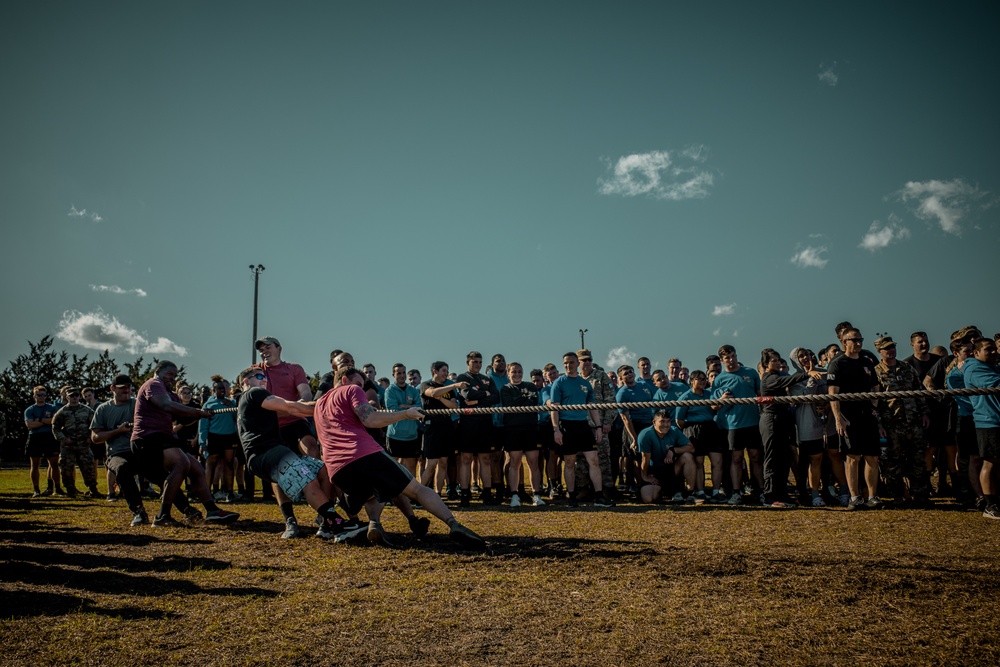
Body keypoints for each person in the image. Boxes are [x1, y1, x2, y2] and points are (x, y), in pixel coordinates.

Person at [313, 366, 485, 549]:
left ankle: (374, 524)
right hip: (363, 453)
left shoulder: (319, 404)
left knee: (374, 492)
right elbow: (369, 419)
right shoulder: (350, 389)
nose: (360, 389)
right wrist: (405, 414)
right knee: (416, 489)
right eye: (358, 383)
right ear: (345, 380)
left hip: (338, 470)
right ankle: (453, 524)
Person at [236, 366, 367, 541]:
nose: (264, 379)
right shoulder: (254, 392)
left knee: (322, 469)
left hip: (273, 451)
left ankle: (326, 525)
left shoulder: (252, 399)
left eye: (265, 377)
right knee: (308, 480)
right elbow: (291, 407)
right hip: (265, 453)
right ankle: (338, 525)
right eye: (259, 376)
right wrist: (332, 405)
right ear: (246, 381)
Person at [130, 360, 239, 527]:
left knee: (196, 468)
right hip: (147, 438)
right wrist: (198, 412)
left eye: (175, 376)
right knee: (181, 463)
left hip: (164, 438)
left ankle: (212, 510)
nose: (173, 379)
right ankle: (162, 516)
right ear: (158, 371)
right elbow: (165, 406)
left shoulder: (171, 394)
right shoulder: (153, 384)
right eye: (170, 374)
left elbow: (182, 418)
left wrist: (200, 414)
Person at [827, 328, 884, 510]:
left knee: (872, 457)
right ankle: (854, 497)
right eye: (854, 340)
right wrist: (838, 419)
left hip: (868, 416)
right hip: (848, 417)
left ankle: (872, 496)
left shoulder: (867, 362)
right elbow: (833, 394)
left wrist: (875, 408)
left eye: (860, 339)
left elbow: (876, 388)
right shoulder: (837, 363)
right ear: (844, 342)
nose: (858, 343)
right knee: (852, 457)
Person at [549, 352, 614, 507]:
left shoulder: (585, 384)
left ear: (577, 363)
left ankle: (599, 496)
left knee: (594, 460)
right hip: (567, 426)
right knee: (570, 462)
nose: (568, 366)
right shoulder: (558, 383)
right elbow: (554, 409)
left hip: (583, 425)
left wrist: (598, 427)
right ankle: (572, 497)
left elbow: (592, 408)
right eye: (565, 363)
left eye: (571, 362)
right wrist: (556, 429)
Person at [759, 352, 824, 508]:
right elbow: (783, 381)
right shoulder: (769, 378)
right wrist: (807, 374)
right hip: (771, 420)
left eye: (778, 360)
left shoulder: (778, 375)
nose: (777, 363)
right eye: (773, 360)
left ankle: (782, 494)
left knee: (783, 460)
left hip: (781, 420)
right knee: (772, 459)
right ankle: (770, 496)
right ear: (766, 364)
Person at [873, 336, 932, 507]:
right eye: (886, 348)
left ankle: (920, 495)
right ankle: (898, 495)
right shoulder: (876, 372)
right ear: (879, 352)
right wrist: (879, 425)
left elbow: (919, 392)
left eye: (892, 347)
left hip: (913, 422)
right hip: (891, 424)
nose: (890, 351)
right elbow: (874, 403)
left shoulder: (907, 368)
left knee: (918, 460)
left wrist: (925, 413)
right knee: (892, 463)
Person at [711, 345, 764, 505]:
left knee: (755, 457)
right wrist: (723, 400)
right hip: (732, 425)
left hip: (753, 422)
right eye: (727, 357)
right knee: (736, 458)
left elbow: (760, 395)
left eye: (733, 356)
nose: (731, 359)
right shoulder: (719, 379)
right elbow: (714, 406)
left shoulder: (750, 373)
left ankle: (760, 491)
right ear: (722, 360)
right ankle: (736, 492)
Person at [91, 375, 147, 524]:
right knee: (122, 468)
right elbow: (95, 437)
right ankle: (138, 511)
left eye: (129, 387)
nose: (127, 390)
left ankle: (187, 509)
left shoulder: (137, 404)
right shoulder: (103, 409)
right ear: (112, 389)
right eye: (123, 388)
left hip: (139, 450)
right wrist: (118, 431)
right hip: (116, 453)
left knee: (163, 468)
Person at [254, 336, 318, 458]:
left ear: (279, 349)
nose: (264, 352)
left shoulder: (294, 369)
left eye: (268, 347)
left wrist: (296, 407)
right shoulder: (256, 371)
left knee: (311, 447)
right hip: (269, 425)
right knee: (274, 465)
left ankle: (318, 476)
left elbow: (306, 394)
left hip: (295, 421)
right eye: (261, 350)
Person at [455, 351, 501, 506]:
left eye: (480, 362)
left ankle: (487, 493)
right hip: (468, 424)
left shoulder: (487, 379)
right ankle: (465, 493)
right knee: (466, 459)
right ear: (468, 362)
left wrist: (477, 401)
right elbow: (467, 395)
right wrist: (484, 395)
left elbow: (496, 397)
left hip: (485, 423)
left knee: (485, 459)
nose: (478, 365)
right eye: (475, 362)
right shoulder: (463, 378)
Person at [962, 338, 1000, 520]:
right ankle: (990, 505)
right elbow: (997, 384)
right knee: (990, 462)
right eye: (988, 349)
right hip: (989, 421)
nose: (993, 352)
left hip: (996, 420)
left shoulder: (993, 366)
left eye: (994, 349)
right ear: (976, 353)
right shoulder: (975, 368)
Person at [946, 337, 984, 508]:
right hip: (966, 417)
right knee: (968, 458)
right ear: (956, 354)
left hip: (982, 417)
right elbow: (969, 400)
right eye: (966, 351)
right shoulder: (954, 376)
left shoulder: (980, 369)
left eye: (972, 350)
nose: (970, 354)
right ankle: (970, 493)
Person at [500, 362, 545, 507]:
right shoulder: (505, 389)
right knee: (515, 462)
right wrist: (523, 398)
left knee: (534, 462)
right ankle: (514, 495)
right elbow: (509, 405)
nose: (517, 374)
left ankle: (536, 494)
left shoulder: (530, 386)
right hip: (513, 429)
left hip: (531, 428)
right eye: (514, 372)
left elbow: (534, 401)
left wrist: (519, 399)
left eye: (519, 371)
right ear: (508, 373)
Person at [675, 370, 722, 502]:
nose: (702, 381)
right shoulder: (685, 397)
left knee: (717, 461)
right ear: (691, 381)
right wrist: (691, 429)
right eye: (699, 379)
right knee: (699, 462)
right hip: (694, 429)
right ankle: (700, 491)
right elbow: (679, 421)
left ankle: (716, 491)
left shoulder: (709, 394)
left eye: (704, 379)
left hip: (711, 428)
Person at [419, 362, 465, 496]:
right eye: (444, 370)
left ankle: (438, 494)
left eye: (447, 371)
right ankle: (419, 495)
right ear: (435, 371)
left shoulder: (448, 389)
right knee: (432, 463)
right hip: (432, 427)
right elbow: (432, 393)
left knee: (443, 462)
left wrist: (441, 399)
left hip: (447, 426)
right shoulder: (426, 385)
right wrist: (455, 385)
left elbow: (454, 406)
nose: (446, 373)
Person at [577, 349, 616, 500]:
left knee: (603, 458)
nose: (587, 363)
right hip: (580, 426)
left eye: (589, 360)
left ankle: (606, 489)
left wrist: (607, 422)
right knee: (580, 460)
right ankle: (583, 488)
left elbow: (611, 401)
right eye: (583, 360)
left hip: (599, 425)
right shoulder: (576, 379)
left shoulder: (601, 376)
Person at [637, 410, 696, 503]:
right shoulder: (645, 435)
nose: (665, 425)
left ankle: (690, 493)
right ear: (654, 422)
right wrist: (645, 477)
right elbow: (645, 459)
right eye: (662, 421)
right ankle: (665, 491)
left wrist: (673, 450)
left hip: (671, 469)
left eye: (668, 421)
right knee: (648, 499)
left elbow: (691, 448)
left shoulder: (674, 431)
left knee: (687, 456)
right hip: (654, 472)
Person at [51, 387, 98, 497]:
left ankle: (93, 489)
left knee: (88, 467)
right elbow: (55, 427)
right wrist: (64, 439)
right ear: (67, 397)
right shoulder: (62, 412)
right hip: (68, 446)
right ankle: (70, 490)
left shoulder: (87, 410)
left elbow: (95, 424)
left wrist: (90, 437)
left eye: (76, 395)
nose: (74, 398)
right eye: (72, 396)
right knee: (66, 468)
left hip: (83, 445)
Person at [198, 379, 239, 503]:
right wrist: (202, 442)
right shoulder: (208, 405)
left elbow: (237, 419)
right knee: (211, 464)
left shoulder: (232, 403)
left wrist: (231, 406)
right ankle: (207, 493)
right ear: (214, 390)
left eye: (223, 388)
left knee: (229, 463)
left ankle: (230, 492)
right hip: (214, 436)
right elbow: (203, 425)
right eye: (219, 388)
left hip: (229, 436)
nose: (222, 390)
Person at [385, 363, 423, 476]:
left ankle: (410, 494)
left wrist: (404, 407)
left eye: (403, 373)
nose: (402, 375)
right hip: (395, 435)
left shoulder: (413, 390)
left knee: (411, 467)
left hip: (412, 435)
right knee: (392, 467)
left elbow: (419, 408)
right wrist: (411, 409)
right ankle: (393, 492)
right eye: (399, 373)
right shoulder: (389, 391)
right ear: (393, 374)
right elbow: (393, 409)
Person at [24, 386, 62, 497]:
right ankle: (36, 490)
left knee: (54, 463)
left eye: (44, 395)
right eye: (39, 395)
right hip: (35, 437)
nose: (42, 397)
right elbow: (30, 424)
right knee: (35, 464)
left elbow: (54, 421)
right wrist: (45, 421)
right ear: (34, 396)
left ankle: (57, 488)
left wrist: (38, 420)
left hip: (50, 437)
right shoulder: (29, 410)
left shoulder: (52, 408)